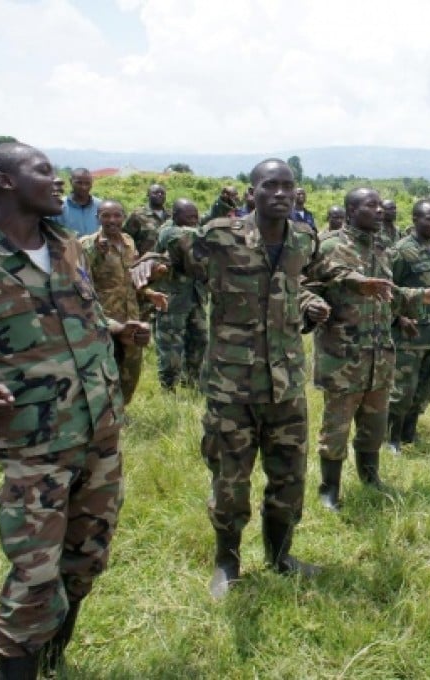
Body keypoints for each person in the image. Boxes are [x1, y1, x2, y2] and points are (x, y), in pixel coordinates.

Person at [0, 142, 148, 677]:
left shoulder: (65, 245)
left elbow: (76, 318)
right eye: (44, 172)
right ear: (6, 182)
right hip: (33, 446)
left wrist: (115, 329)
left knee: (85, 560)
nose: (58, 181)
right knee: (34, 581)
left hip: (100, 433)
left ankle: (54, 661)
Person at [132, 159, 330, 597]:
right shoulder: (221, 235)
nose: (280, 193)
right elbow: (170, 246)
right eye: (269, 186)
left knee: (290, 478)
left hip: (287, 387)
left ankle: (280, 557)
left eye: (287, 186)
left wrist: (308, 305)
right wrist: (149, 262)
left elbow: (298, 286)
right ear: (252, 192)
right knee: (230, 482)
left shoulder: (303, 238)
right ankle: (227, 562)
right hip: (231, 389)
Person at [303, 188, 430, 511]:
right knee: (336, 428)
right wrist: (314, 307)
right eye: (371, 205)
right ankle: (329, 489)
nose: (380, 210)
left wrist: (417, 297)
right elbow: (306, 288)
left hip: (380, 356)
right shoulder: (329, 246)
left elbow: (389, 296)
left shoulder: (383, 249)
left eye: (381, 205)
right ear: (351, 211)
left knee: (374, 425)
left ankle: (370, 478)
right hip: (343, 357)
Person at [80, 200, 166, 406]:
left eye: (117, 215)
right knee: (104, 372)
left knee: (131, 371)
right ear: (97, 218)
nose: (112, 220)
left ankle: (121, 410)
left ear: (123, 217)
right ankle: (105, 415)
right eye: (106, 216)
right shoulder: (87, 244)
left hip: (132, 320)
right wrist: (94, 252)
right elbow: (81, 285)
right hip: (103, 321)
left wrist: (149, 293)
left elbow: (131, 279)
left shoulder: (128, 242)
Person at [386, 200, 430, 452]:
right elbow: (387, 290)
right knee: (402, 390)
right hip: (408, 336)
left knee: (423, 389)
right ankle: (391, 439)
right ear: (414, 219)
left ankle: (409, 434)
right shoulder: (401, 251)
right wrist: (398, 318)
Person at [153, 199, 209, 390]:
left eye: (196, 216)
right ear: (175, 216)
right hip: (173, 301)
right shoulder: (168, 231)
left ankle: (191, 381)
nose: (195, 220)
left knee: (200, 340)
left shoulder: (196, 230)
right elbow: (187, 236)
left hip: (196, 297)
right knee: (171, 348)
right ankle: (168, 388)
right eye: (190, 217)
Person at [122, 183, 168, 255]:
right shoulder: (137, 215)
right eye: (155, 193)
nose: (160, 195)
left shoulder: (171, 216)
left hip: (167, 262)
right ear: (148, 195)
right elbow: (126, 237)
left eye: (162, 193)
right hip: (144, 261)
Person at [57, 167, 102, 236]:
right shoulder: (59, 205)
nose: (84, 187)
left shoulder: (100, 205)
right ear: (70, 181)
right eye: (79, 183)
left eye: (87, 183)